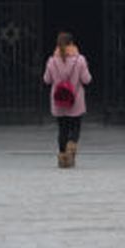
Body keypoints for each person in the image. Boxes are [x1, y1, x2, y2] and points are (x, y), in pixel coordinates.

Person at [42, 31, 92, 167]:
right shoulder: (80, 60)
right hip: (76, 100)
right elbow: (87, 80)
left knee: (62, 129)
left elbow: (46, 80)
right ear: (72, 43)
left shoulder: (52, 61)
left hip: (59, 101)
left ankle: (63, 158)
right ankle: (71, 145)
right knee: (75, 127)